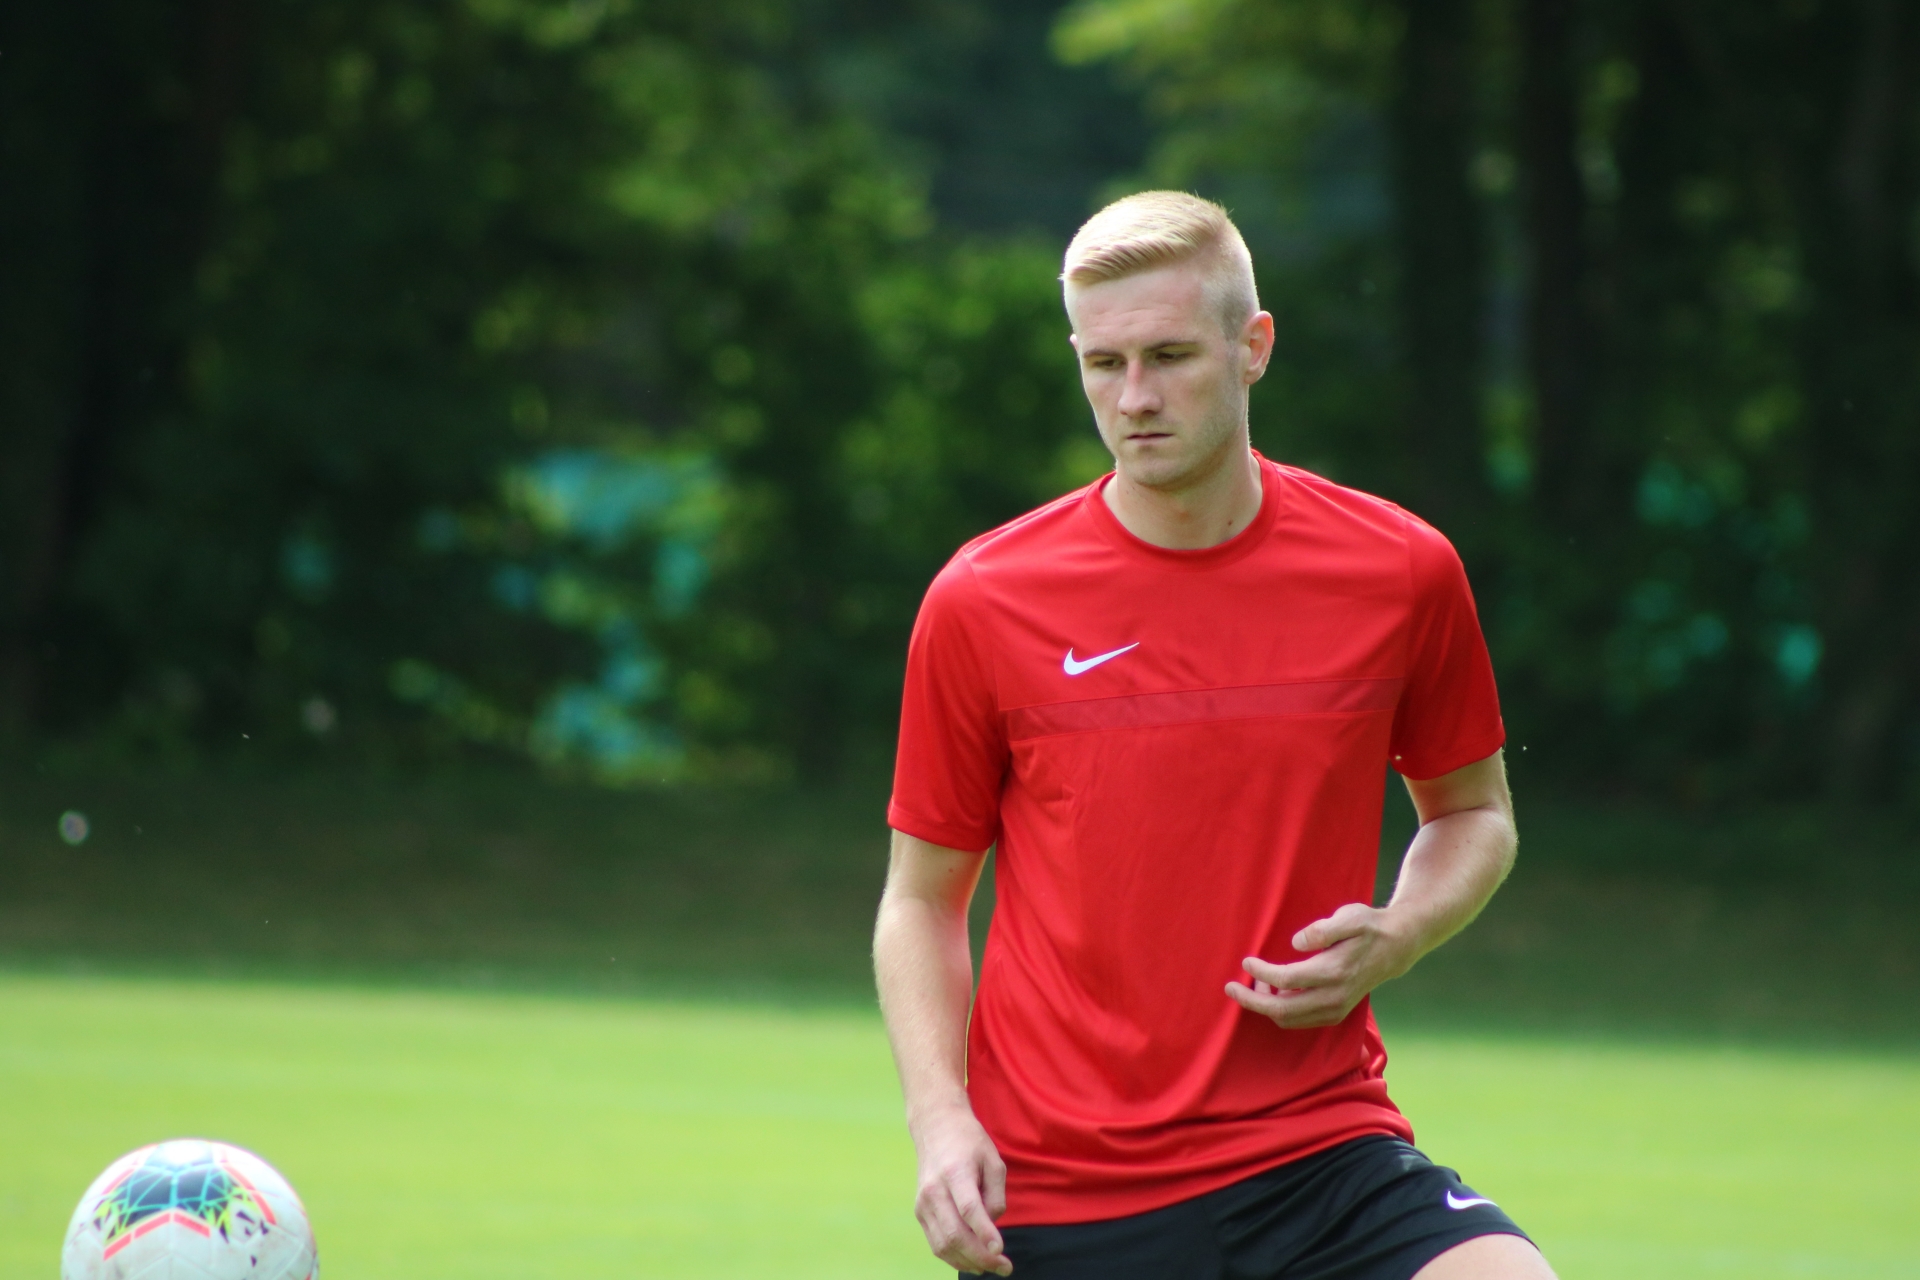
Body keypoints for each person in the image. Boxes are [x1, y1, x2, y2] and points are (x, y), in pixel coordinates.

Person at [871, 191, 1557, 1280]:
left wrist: (1400, 930)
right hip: (1066, 1189)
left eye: (1170, 356)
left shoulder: (1400, 568)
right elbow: (921, 899)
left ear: (1254, 347)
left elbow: (1474, 811)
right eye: (1103, 364)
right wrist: (941, 1118)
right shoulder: (983, 598)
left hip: (1323, 1154)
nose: (1134, 397)